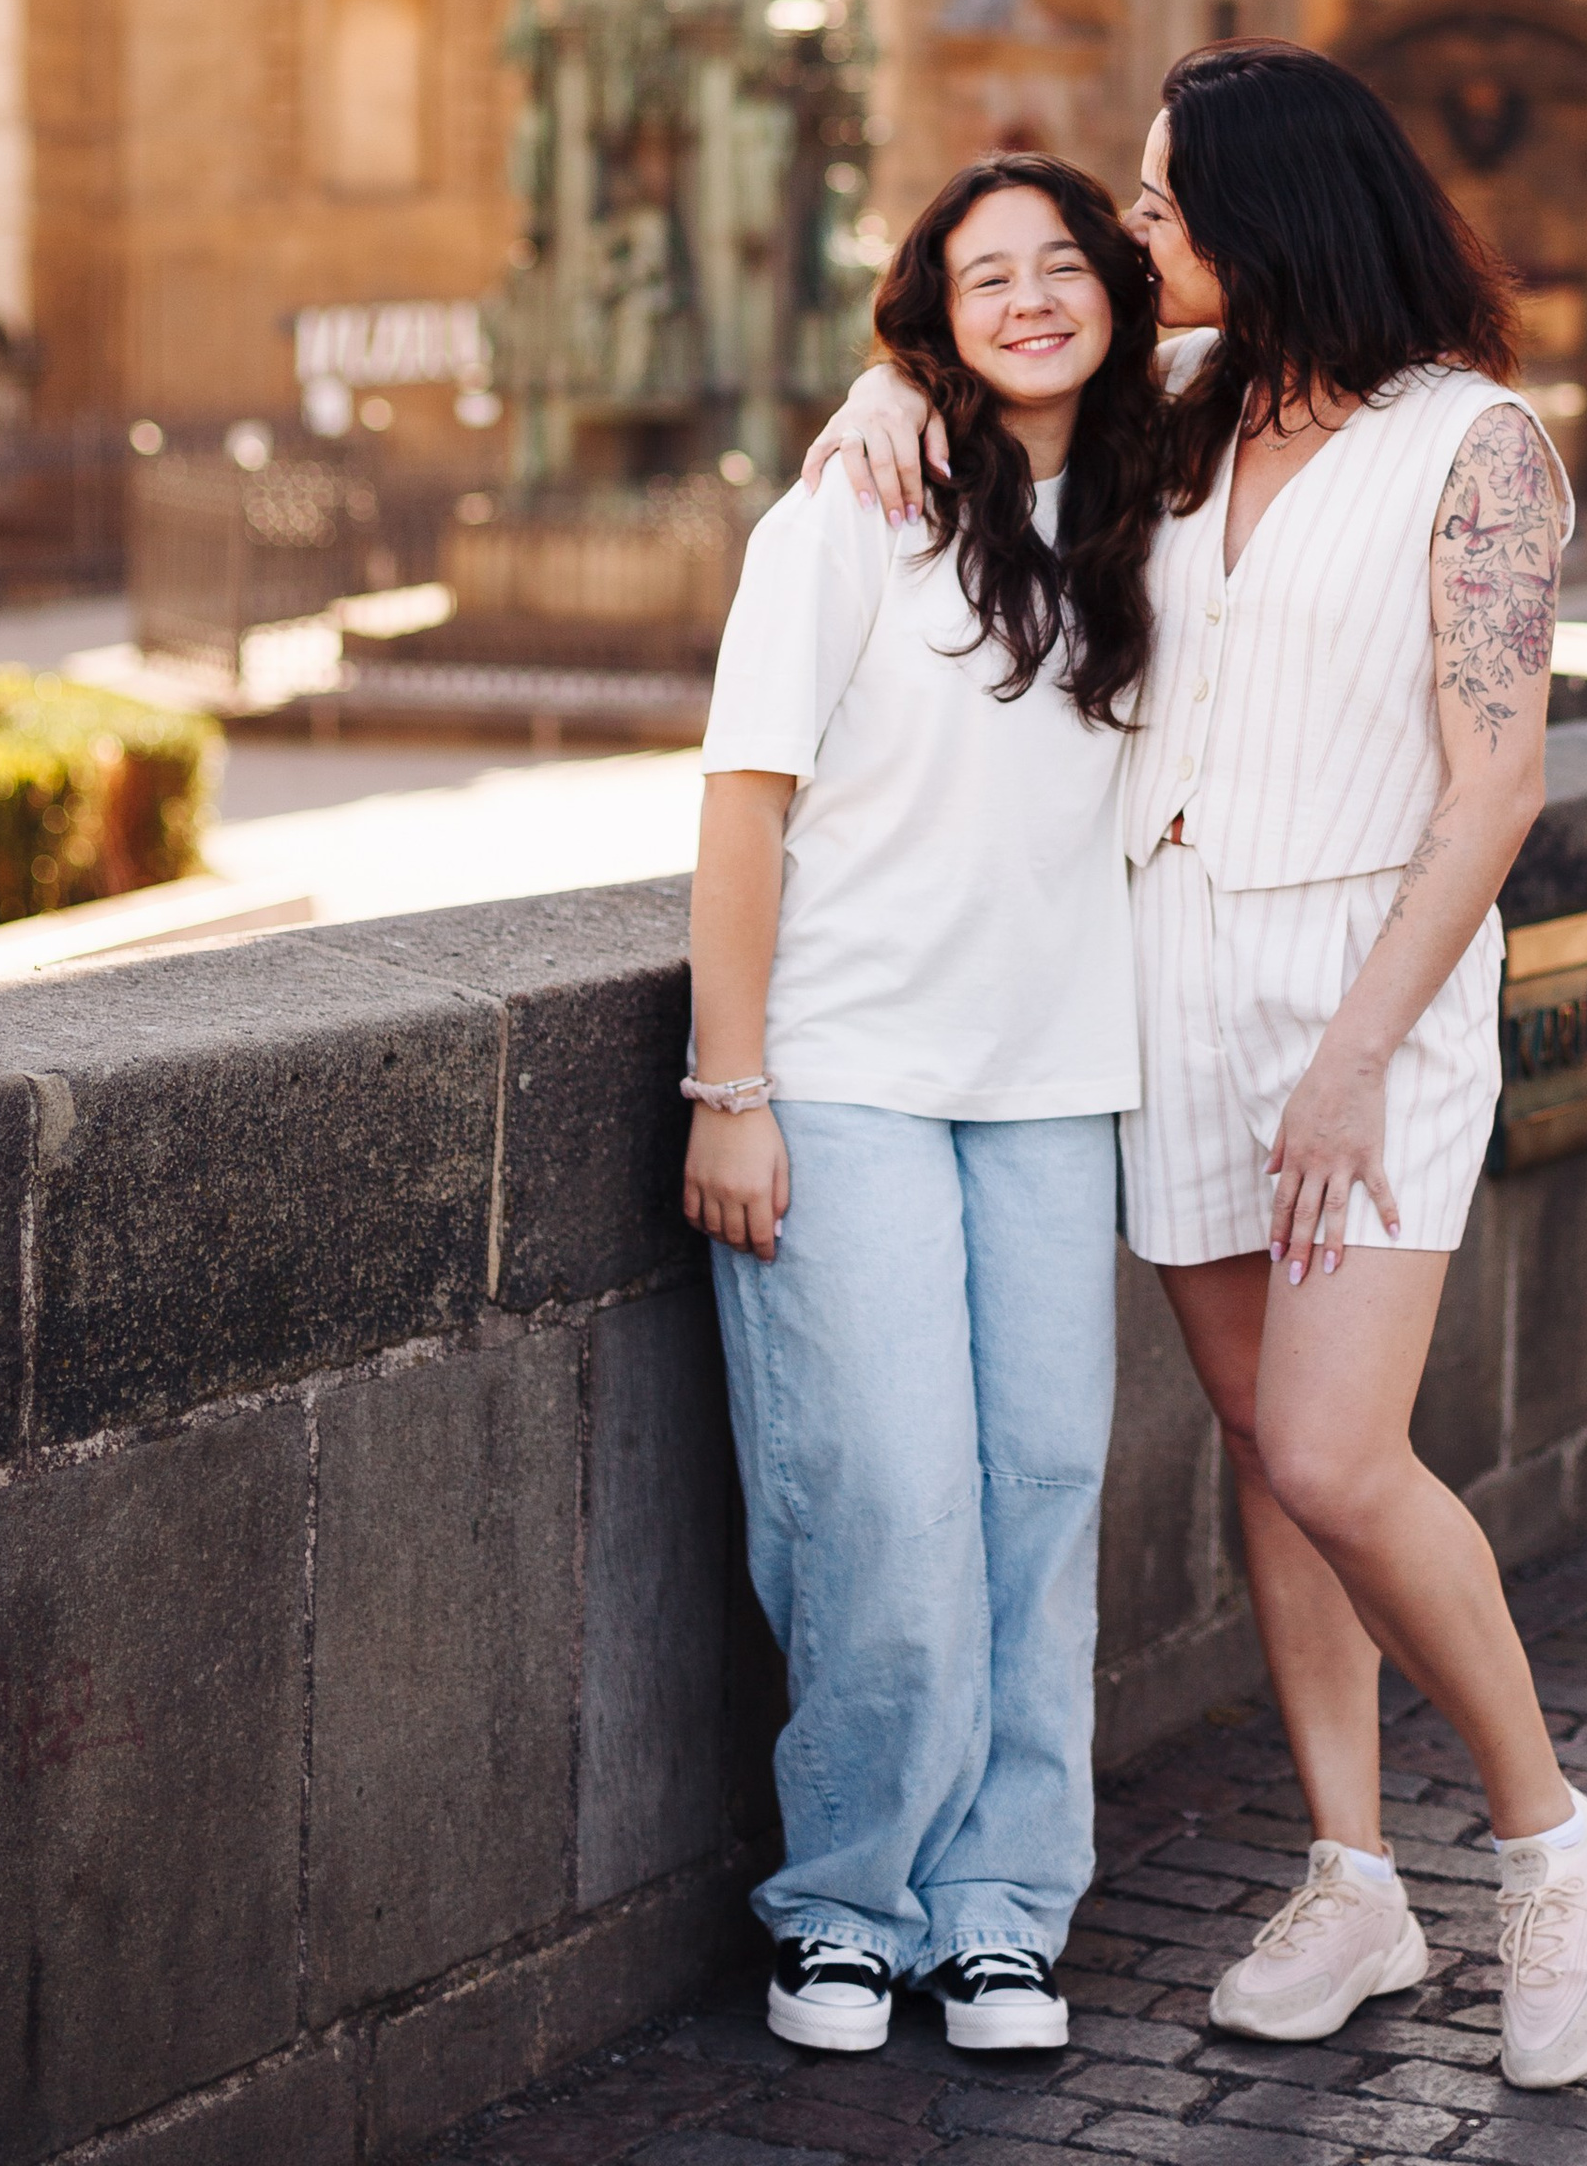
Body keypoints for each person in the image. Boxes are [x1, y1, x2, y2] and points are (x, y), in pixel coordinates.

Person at [806, 41, 1587, 2093]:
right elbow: (961, 360)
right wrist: (875, 385)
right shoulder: (1164, 414)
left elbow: (1497, 773)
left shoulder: (1476, 446)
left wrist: (1361, 1048)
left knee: (1342, 1451)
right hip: (1155, 978)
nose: (1130, 234)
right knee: (1272, 1458)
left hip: (1368, 984)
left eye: (1166, 204)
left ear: (1273, 215)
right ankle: (1351, 1876)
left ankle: (1553, 1843)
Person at [685, 152, 1163, 2057]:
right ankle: (847, 1904)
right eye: (987, 277)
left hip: (1061, 1082)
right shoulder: (849, 511)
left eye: (1070, 264)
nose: (1035, 296)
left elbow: (1284, 324)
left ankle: (1001, 1912)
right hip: (852, 1070)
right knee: (881, 1501)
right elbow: (744, 802)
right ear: (929, 313)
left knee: (1040, 1496)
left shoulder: (1167, 500)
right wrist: (733, 1085)